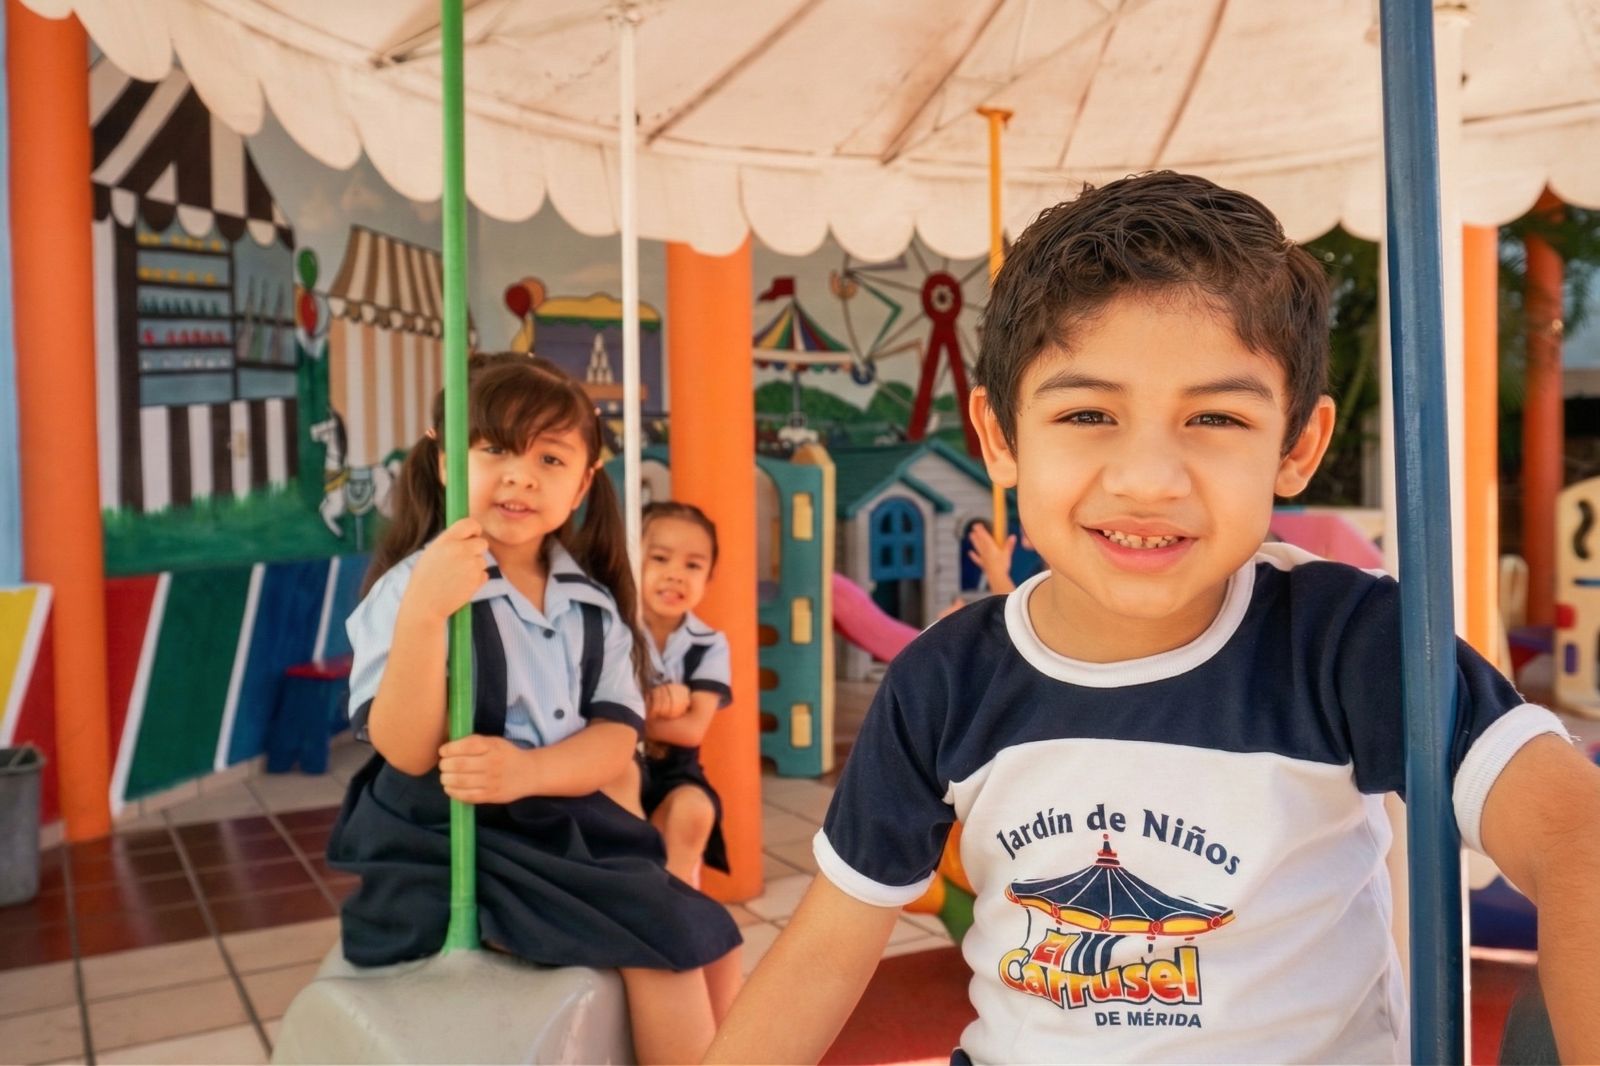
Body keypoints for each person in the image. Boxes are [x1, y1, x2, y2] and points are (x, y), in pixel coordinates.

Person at [707, 172, 1600, 1064]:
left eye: (1213, 416)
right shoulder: (946, 682)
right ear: (1000, 438)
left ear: (1297, 447)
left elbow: (1575, 836)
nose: (1147, 478)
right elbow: (822, 957)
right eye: (1088, 412)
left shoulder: (1354, 644)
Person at [325, 356, 740, 1064]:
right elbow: (405, 749)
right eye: (494, 450)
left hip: (554, 818)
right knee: (665, 947)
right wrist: (427, 613)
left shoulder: (593, 606)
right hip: (451, 834)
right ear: (448, 461)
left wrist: (529, 771)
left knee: (719, 939)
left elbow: (615, 739)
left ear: (581, 485)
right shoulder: (410, 588)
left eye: (548, 458)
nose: (519, 475)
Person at [633, 501, 744, 1020]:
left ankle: (676, 914)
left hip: (675, 769)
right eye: (660, 558)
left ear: (709, 576)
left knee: (694, 812)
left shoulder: (707, 644)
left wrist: (635, 709)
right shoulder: (613, 629)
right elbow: (592, 716)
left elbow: (692, 728)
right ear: (634, 558)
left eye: (693, 565)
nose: (675, 573)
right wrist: (656, 705)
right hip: (613, 763)